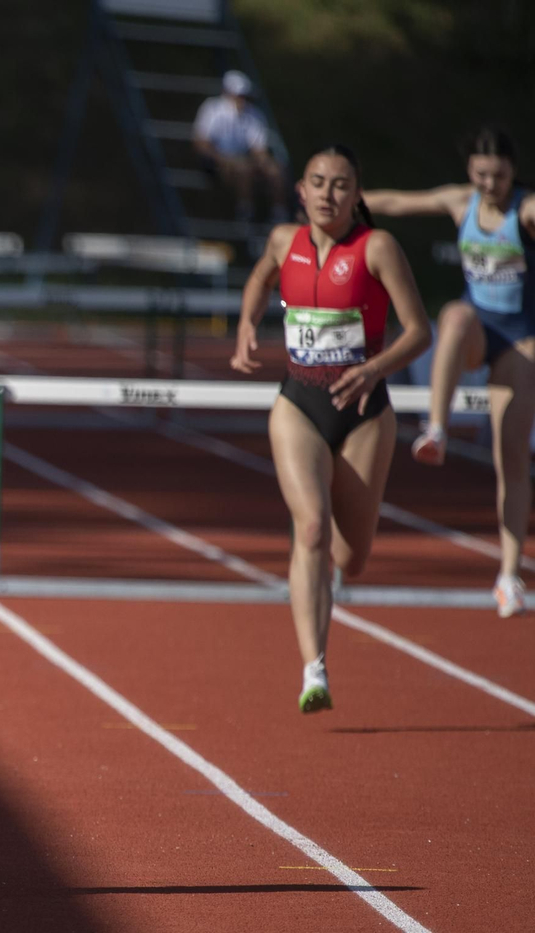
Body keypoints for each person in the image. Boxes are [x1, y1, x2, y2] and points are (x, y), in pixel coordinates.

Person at [231, 144, 431, 713]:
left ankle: (331, 580)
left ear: (356, 194)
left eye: (340, 185)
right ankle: (313, 668)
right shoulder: (281, 241)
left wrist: (373, 366)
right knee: (312, 527)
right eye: (317, 183)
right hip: (298, 402)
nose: (327, 194)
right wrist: (247, 321)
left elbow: (420, 332)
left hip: (365, 412)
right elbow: (260, 280)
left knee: (352, 558)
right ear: (300, 190)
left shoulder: (377, 249)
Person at [365, 127, 535, 617]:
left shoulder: (524, 211)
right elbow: (396, 202)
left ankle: (508, 574)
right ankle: (436, 428)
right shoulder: (460, 203)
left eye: (499, 176)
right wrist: (346, 200)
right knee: (454, 315)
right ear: (469, 172)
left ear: (513, 173)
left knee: (512, 461)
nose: (490, 185)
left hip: (520, 342)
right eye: (481, 175)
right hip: (477, 329)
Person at [193, 70, 288, 223]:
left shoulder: (254, 114)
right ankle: (245, 213)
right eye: (238, 94)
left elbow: (258, 148)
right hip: (216, 163)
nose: (241, 99)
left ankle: (279, 214)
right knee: (243, 168)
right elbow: (201, 142)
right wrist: (222, 159)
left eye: (243, 94)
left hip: (242, 161)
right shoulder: (211, 109)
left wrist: (264, 162)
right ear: (227, 92)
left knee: (275, 170)